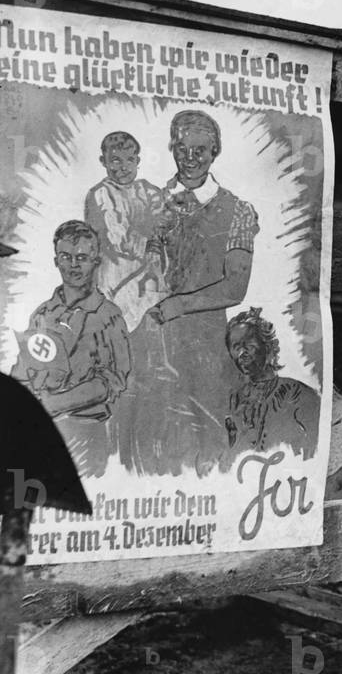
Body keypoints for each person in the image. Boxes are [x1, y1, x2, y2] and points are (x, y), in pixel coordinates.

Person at [124, 110, 259, 476]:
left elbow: (235, 287)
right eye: (182, 148)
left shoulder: (237, 211)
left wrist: (177, 306)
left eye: (200, 149)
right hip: (152, 339)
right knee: (144, 436)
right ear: (172, 149)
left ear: (215, 151)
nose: (191, 157)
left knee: (207, 441)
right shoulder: (151, 203)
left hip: (206, 347)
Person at [11, 221, 130, 477]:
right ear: (56, 260)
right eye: (66, 257)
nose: (73, 265)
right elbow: (23, 371)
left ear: (95, 262)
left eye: (82, 258)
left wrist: (55, 403)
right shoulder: (42, 314)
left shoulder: (108, 315)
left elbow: (113, 380)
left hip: (86, 430)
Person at [83, 130, 163, 331]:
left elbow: (161, 216)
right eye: (116, 160)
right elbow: (116, 234)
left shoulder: (146, 190)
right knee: (120, 320)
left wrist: (160, 233)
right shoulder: (102, 193)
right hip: (115, 268)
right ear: (104, 161)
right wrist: (146, 244)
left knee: (153, 314)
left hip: (146, 267)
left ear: (138, 160)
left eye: (129, 160)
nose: (124, 167)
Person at [222, 307, 319, 464]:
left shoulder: (297, 393)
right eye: (236, 347)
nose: (242, 353)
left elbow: (313, 452)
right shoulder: (234, 399)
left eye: (249, 345)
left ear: (267, 346)